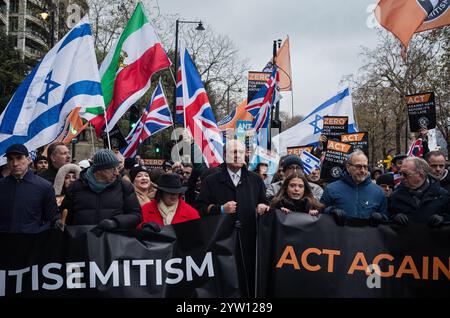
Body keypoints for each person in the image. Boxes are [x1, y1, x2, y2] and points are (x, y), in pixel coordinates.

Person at [195, 139, 269, 297]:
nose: (237, 155)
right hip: (222, 241)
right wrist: (220, 209)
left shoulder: (256, 180)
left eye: (240, 152)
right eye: (233, 152)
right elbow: (200, 208)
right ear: (224, 155)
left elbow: (264, 202)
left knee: (248, 282)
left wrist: (263, 207)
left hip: (249, 240)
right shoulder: (211, 181)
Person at [61, 149, 141, 229]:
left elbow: (136, 215)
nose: (116, 173)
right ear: (98, 170)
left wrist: (116, 222)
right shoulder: (76, 187)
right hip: (82, 239)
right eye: (112, 169)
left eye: (117, 168)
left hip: (113, 239)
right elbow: (63, 213)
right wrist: (58, 221)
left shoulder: (124, 186)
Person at [0, 144, 58, 233]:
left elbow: (51, 218)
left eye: (19, 158)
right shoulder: (2, 185)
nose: (15, 163)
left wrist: (37, 232)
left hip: (32, 243)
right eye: (11, 159)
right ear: (7, 162)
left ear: (28, 160)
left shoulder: (44, 186)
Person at [320, 150, 388, 225]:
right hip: (340, 235)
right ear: (348, 167)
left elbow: (387, 217)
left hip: (368, 236)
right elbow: (320, 211)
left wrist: (381, 217)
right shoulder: (331, 189)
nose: (362, 170)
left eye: (365, 167)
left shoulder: (378, 191)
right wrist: (331, 211)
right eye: (358, 166)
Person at [389, 156, 449, 226]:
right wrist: (395, 217)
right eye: (401, 173)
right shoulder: (395, 196)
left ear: (421, 175)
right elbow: (388, 216)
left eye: (405, 174)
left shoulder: (442, 195)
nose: (401, 177)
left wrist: (443, 218)